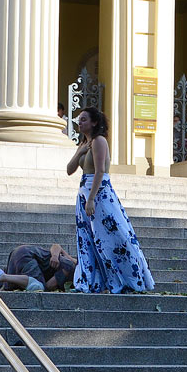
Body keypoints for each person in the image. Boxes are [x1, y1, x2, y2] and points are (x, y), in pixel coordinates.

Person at [66, 107, 155, 293]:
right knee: (87, 239)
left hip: (99, 194)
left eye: (83, 119)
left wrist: (91, 200)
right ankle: (90, 281)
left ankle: (129, 278)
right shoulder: (85, 143)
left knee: (111, 236)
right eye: (79, 119)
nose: (79, 122)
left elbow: (100, 171)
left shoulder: (99, 141)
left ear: (94, 122)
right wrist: (79, 152)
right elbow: (69, 169)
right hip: (83, 193)